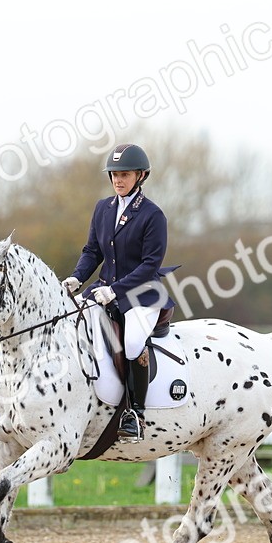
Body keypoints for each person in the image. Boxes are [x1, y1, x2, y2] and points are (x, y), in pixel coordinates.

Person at [63, 143, 174, 442]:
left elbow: (151, 264)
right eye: (113, 175)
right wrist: (77, 278)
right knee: (73, 321)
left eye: (124, 174)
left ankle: (135, 413)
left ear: (140, 176)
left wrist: (115, 290)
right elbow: (92, 251)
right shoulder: (103, 208)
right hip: (104, 290)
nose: (118, 180)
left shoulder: (153, 215)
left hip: (142, 294)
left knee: (134, 341)